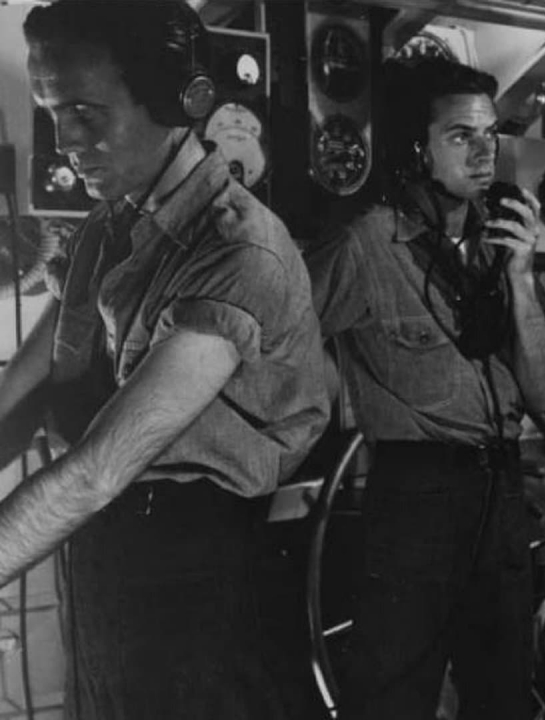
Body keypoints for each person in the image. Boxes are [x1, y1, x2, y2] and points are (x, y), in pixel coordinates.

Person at [0, 1, 331, 717]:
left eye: (85, 113)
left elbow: (100, 468)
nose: (64, 142)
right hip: (104, 559)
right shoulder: (106, 229)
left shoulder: (238, 251)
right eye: (52, 113)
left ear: (182, 101)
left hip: (200, 589)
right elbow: (18, 396)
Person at [307, 58, 545, 719]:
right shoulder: (367, 244)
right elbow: (281, 338)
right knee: (391, 699)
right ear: (416, 149)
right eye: (460, 136)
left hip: (501, 492)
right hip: (416, 498)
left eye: (490, 135)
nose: (484, 153)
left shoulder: (501, 244)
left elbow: (543, 391)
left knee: (504, 698)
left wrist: (523, 278)